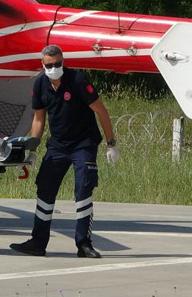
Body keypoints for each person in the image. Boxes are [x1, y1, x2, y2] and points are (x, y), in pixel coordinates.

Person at [10, 45, 119, 259]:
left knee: (83, 190)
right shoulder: (40, 83)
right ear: (43, 65)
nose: (54, 68)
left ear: (63, 61)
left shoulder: (77, 80)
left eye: (57, 64)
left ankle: (84, 244)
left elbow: (101, 110)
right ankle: (38, 242)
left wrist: (111, 144)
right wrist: (32, 149)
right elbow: (38, 119)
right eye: (49, 65)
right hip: (58, 145)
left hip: (83, 143)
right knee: (45, 190)